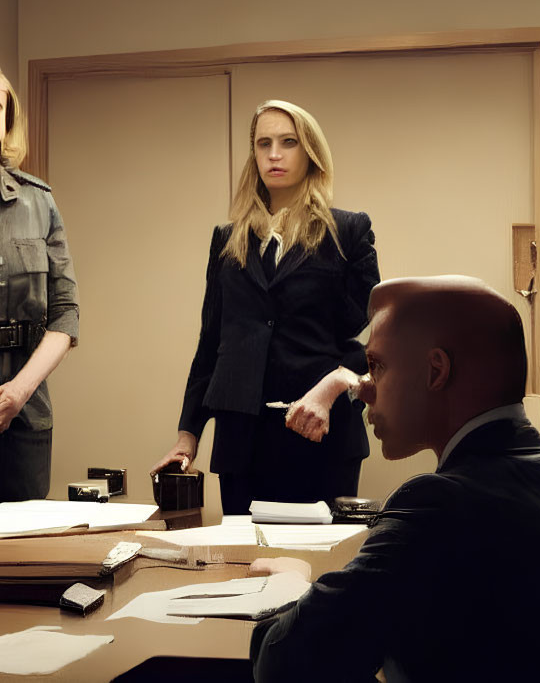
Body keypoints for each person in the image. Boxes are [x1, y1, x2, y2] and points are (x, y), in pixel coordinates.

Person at [248, 276, 540, 682]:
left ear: (436, 370)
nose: (365, 391)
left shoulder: (437, 505)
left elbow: (283, 664)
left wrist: (292, 584)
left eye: (376, 366)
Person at [152, 100, 379, 515]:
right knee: (245, 566)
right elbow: (211, 344)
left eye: (288, 142)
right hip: (242, 440)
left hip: (320, 435)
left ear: (310, 151)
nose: (274, 154)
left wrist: (337, 385)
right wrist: (188, 435)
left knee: (319, 566)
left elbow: (372, 333)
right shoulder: (228, 239)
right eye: (263, 144)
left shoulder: (347, 230)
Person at [0, 56, 79, 510]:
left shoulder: (39, 201)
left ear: (7, 117)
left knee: (22, 559)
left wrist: (19, 392)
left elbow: (66, 313)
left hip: (27, 416)